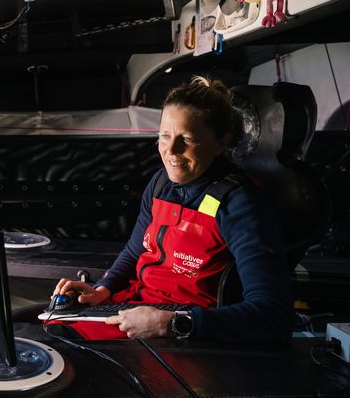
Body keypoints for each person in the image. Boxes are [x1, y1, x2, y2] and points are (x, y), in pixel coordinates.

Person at [45, 76, 294, 342]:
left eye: (187, 138)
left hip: (179, 335)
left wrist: (173, 324)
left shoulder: (242, 204)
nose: (171, 151)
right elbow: (135, 251)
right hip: (133, 309)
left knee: (59, 348)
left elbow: (273, 315)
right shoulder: (161, 182)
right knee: (37, 329)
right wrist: (103, 289)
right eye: (165, 136)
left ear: (222, 142)